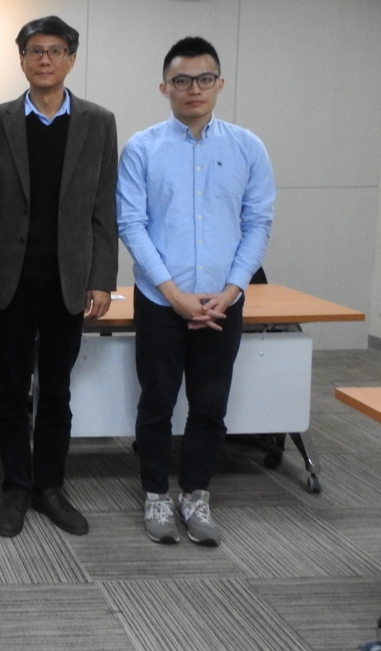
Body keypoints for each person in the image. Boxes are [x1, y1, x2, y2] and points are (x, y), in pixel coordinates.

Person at [117, 36, 274, 546]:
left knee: (210, 406)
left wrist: (230, 290)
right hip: (161, 302)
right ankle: (156, 495)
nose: (194, 89)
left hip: (223, 303)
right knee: (157, 403)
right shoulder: (142, 148)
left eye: (204, 79)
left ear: (219, 84)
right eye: (181, 80)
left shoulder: (248, 147)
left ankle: (196, 494)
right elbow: (131, 224)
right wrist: (174, 293)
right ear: (164, 87)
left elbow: (258, 223)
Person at [0, 15, 118, 539]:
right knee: (11, 391)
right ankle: (16, 486)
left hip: (68, 280)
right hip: (11, 280)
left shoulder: (99, 122)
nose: (45, 60)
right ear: (21, 59)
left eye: (56, 51)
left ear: (71, 59)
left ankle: (50, 486)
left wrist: (101, 277)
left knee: (56, 391)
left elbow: (104, 206)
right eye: (35, 50)